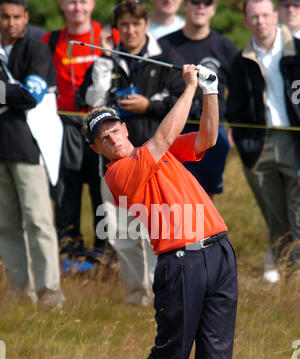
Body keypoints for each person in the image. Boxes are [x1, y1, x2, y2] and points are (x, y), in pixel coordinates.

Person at [82, 63, 238, 359]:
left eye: (114, 129)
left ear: (124, 128)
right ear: (97, 149)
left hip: (219, 251)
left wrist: (210, 91)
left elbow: (207, 138)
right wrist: (189, 88)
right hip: (180, 262)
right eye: (102, 138)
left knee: (217, 346)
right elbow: (164, 137)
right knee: (173, 351)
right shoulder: (118, 174)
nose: (111, 138)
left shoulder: (158, 150)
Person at [80, 0, 185, 306]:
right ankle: (136, 295)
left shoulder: (165, 56)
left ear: (145, 24)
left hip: (153, 163)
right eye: (124, 24)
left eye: (136, 24)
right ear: (117, 28)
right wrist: (102, 70)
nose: (130, 30)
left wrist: (147, 106)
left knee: (155, 233)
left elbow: (183, 102)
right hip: (114, 167)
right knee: (121, 233)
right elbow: (87, 103)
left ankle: (159, 295)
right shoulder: (106, 61)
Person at [226, 0, 300, 281]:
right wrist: (246, 147)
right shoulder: (240, 61)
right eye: (254, 17)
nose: (260, 21)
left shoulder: (296, 51)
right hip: (259, 147)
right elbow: (235, 108)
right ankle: (288, 283)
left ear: (275, 16)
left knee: (298, 215)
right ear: (246, 21)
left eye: (265, 15)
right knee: (276, 219)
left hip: (294, 142)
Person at [42, 0, 118, 269]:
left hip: (103, 126)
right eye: (71, 2)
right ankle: (69, 254)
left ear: (92, 4)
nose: (77, 7)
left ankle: (106, 254)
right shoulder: (49, 41)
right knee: (66, 191)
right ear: (62, 5)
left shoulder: (109, 36)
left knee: (104, 191)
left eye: (83, 1)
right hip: (65, 126)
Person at [0, 0, 64, 307]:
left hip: (29, 147)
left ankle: (49, 291)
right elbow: (18, 93)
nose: (11, 23)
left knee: (38, 222)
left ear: (26, 18)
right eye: (5, 17)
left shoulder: (37, 50)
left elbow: (30, 95)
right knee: (6, 225)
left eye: (16, 17)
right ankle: (19, 290)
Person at [161, 0, 239, 200]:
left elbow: (240, 92)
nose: (201, 7)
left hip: (211, 133)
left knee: (205, 200)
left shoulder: (225, 47)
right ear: (184, 6)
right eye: (195, 2)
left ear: (214, 9)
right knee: (172, 199)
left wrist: (232, 128)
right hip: (173, 133)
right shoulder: (164, 45)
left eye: (207, 2)